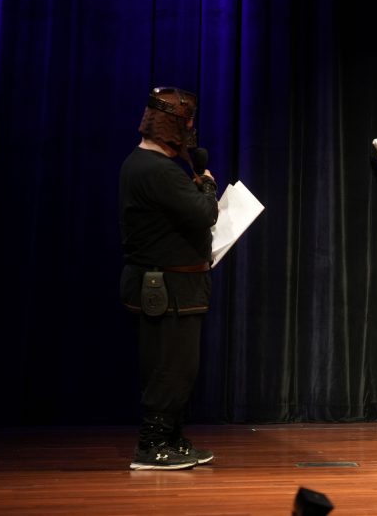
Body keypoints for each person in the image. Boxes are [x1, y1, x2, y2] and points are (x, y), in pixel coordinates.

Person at [119, 86, 219, 470]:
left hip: (175, 287)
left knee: (180, 366)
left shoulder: (147, 166)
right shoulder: (156, 169)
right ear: (171, 127)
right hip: (167, 289)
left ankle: (172, 438)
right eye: (186, 123)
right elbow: (204, 213)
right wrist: (207, 183)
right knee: (169, 368)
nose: (190, 131)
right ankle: (152, 445)